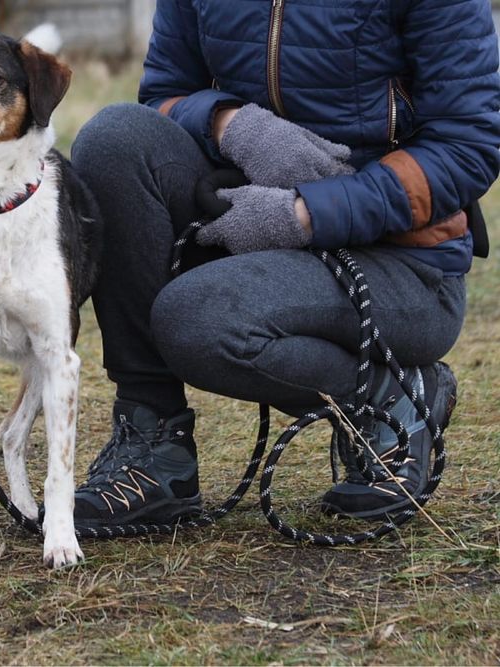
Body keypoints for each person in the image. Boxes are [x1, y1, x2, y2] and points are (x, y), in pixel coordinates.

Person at [68, 0, 500, 528]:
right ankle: (153, 451)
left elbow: (469, 144)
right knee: (113, 138)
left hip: (402, 263)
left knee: (196, 319)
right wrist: (234, 125)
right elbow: (164, 97)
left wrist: (307, 214)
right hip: (250, 218)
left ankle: (395, 400)